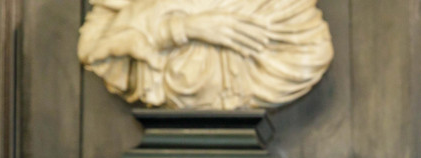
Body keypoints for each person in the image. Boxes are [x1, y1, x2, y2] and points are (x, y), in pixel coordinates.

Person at [78, 0, 334, 110]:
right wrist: (184, 27)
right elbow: (93, 48)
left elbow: (312, 53)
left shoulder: (288, 12)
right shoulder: (139, 7)